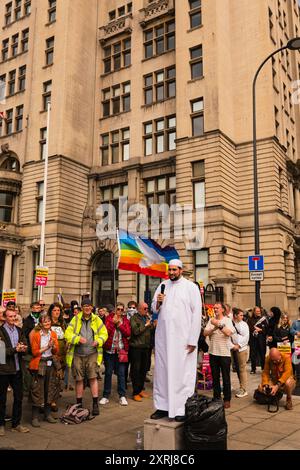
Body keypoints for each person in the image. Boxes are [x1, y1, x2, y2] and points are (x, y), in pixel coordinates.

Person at [150, 259, 201, 421]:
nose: (171, 273)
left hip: (183, 341)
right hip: (164, 339)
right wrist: (158, 303)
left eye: (174, 270)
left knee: (182, 374)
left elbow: (196, 314)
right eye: (169, 270)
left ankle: (181, 409)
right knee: (163, 373)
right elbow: (153, 308)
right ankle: (163, 407)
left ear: (181, 270)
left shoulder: (191, 287)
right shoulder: (162, 285)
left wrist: (193, 339)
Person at [64, 298, 108, 416]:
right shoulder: (76, 319)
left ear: (92, 307)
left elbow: (104, 333)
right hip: (78, 354)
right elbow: (67, 334)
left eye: (89, 306)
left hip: (92, 353)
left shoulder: (97, 319)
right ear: (82, 308)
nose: (87, 308)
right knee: (79, 379)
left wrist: (98, 341)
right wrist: (77, 339)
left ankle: (95, 404)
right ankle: (78, 404)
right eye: (85, 306)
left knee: (93, 378)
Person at [0, 310, 29, 436]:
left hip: (17, 369)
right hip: (4, 370)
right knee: (2, 399)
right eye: (10, 316)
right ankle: (0, 425)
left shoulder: (19, 330)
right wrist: (14, 349)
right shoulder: (0, 331)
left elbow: (24, 343)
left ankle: (16, 424)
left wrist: (23, 348)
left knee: (19, 397)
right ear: (5, 318)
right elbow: (1, 353)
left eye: (14, 316)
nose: (13, 318)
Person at [29, 313, 60, 427]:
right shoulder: (37, 335)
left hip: (50, 364)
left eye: (48, 321)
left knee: (50, 388)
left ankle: (47, 415)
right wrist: (47, 346)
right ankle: (34, 417)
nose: (47, 323)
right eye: (45, 321)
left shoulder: (53, 334)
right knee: (37, 390)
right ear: (41, 324)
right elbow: (34, 352)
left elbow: (56, 352)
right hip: (39, 363)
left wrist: (54, 346)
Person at [204, 303, 235, 408]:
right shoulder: (211, 320)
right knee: (215, 377)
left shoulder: (227, 320)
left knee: (226, 377)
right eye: (214, 308)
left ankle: (227, 399)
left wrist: (218, 324)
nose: (215, 309)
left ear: (222, 309)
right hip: (213, 352)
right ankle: (216, 398)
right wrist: (213, 328)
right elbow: (205, 333)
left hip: (224, 353)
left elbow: (229, 333)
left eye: (217, 308)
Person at [99, 303, 130, 406]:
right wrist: (113, 323)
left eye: (122, 310)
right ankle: (105, 395)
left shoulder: (125, 320)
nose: (120, 311)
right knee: (108, 373)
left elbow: (128, 333)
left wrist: (119, 325)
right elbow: (106, 331)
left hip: (121, 351)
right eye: (118, 309)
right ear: (115, 310)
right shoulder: (109, 318)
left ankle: (122, 396)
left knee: (121, 374)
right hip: (109, 351)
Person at [129, 302, 153, 402]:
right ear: (139, 309)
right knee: (136, 370)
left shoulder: (146, 318)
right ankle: (135, 392)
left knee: (144, 369)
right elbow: (135, 331)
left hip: (146, 347)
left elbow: (149, 331)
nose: (147, 310)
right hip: (136, 348)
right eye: (145, 308)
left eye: (147, 308)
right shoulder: (134, 318)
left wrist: (152, 325)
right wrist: (146, 325)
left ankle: (141, 389)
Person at [49, 303, 67, 411]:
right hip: (51, 355)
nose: (57, 312)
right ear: (51, 311)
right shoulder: (47, 322)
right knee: (51, 379)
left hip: (62, 355)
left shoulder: (62, 323)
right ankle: (49, 401)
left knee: (59, 379)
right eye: (55, 310)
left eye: (58, 311)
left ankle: (54, 400)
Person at [231, 307, 250, 398]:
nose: (242, 317)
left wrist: (238, 345)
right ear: (235, 315)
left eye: (242, 315)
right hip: (231, 348)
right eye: (240, 315)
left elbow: (246, 337)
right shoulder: (230, 323)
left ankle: (244, 389)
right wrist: (231, 346)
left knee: (242, 369)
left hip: (241, 349)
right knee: (234, 369)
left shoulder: (244, 324)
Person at [247, 306, 267, 374]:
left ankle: (263, 368)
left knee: (262, 354)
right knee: (253, 354)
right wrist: (254, 329)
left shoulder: (263, 319)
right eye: (257, 311)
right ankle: (253, 369)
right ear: (254, 312)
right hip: (253, 339)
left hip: (261, 339)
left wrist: (260, 329)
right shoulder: (250, 319)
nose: (258, 312)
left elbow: (267, 329)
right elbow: (248, 328)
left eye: (259, 311)